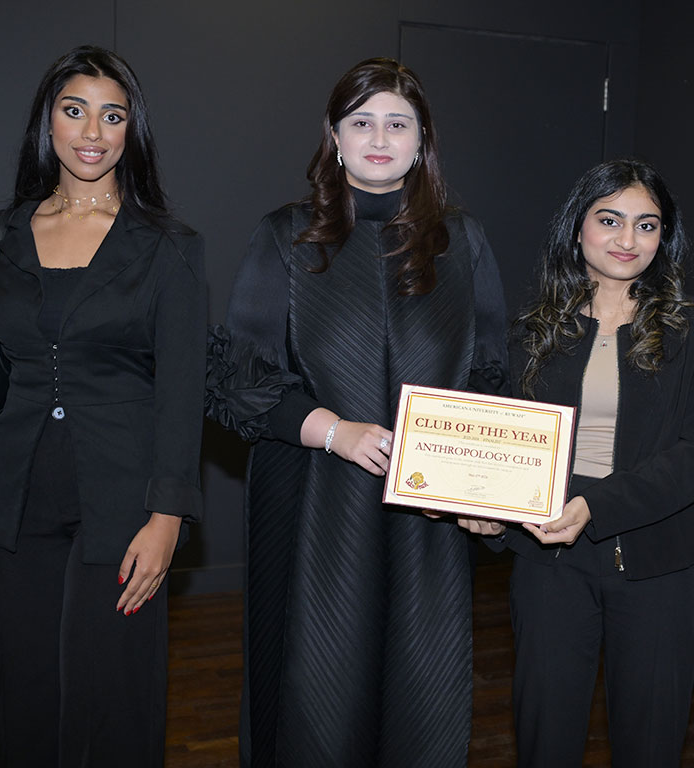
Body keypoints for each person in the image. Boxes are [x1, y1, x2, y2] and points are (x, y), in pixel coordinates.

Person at [205, 57, 507, 767]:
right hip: (313, 506)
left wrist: (490, 491)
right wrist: (334, 433)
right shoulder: (284, 235)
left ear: (422, 140)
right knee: (314, 696)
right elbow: (236, 380)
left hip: (428, 519)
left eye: (398, 123)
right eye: (361, 121)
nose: (379, 137)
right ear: (334, 136)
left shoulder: (463, 241)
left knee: (423, 695)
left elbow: (492, 376)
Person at [0, 45, 206, 766]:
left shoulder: (169, 247)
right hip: (17, 498)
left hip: (126, 502)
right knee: (30, 693)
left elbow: (182, 390)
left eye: (112, 115)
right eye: (75, 111)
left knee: (115, 700)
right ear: (49, 120)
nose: (92, 132)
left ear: (132, 130)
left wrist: (168, 517)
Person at [492, 158, 694, 767]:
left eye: (647, 225)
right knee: (545, 738)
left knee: (651, 743)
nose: (628, 239)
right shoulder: (529, 328)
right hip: (548, 556)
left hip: (659, 562)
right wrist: (486, 506)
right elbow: (502, 442)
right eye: (610, 220)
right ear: (577, 228)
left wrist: (594, 505)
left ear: (664, 237)